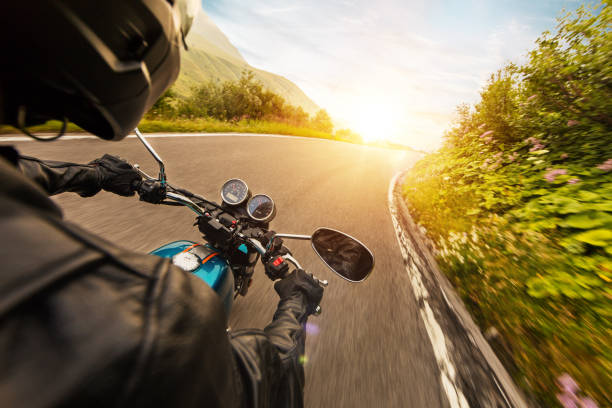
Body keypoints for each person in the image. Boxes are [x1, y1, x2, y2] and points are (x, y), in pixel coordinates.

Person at [0, 1, 324, 407]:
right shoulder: (157, 328)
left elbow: (21, 172)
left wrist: (94, 174)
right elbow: (265, 380)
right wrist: (297, 300)